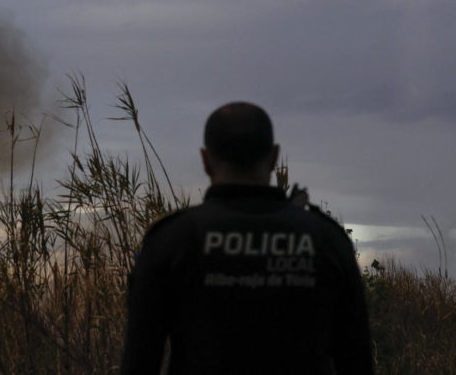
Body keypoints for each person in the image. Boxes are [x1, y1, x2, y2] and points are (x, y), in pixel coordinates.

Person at [120, 102, 373, 374]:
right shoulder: (326, 239)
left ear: (205, 160)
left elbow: (139, 361)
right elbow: (357, 361)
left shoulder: (170, 240)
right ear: (275, 157)